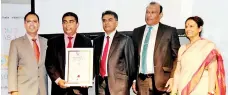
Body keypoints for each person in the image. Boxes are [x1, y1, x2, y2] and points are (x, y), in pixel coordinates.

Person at [131, 1, 181, 95]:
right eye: (147, 12)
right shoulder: (137, 31)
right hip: (142, 81)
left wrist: (173, 77)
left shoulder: (169, 31)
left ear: (161, 14)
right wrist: (134, 80)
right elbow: (134, 58)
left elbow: (177, 57)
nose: (149, 15)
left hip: (163, 81)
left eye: (153, 12)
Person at [171, 16, 226, 95]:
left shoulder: (208, 45)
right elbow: (178, 72)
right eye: (186, 27)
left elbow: (212, 70)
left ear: (199, 29)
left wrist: (211, 91)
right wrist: (174, 90)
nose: (188, 29)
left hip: (201, 88)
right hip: (183, 88)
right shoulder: (182, 48)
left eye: (191, 26)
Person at [45, 12, 92, 95]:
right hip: (59, 89)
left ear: (77, 24)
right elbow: (49, 63)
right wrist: (58, 80)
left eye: (71, 22)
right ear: (62, 24)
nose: (67, 25)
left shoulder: (86, 41)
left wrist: (87, 80)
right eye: (65, 22)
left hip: (80, 89)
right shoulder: (53, 42)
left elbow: (91, 63)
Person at [93, 10, 136, 95]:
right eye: (104, 20)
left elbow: (131, 65)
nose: (106, 23)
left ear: (116, 23)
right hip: (100, 85)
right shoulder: (97, 41)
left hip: (119, 86)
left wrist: (128, 83)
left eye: (110, 20)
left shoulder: (125, 40)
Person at [8, 12, 48, 95]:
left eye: (35, 21)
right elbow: (12, 68)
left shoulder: (46, 42)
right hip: (24, 90)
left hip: (42, 90)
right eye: (29, 21)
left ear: (39, 23)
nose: (32, 24)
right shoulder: (16, 43)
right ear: (25, 24)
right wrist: (13, 90)